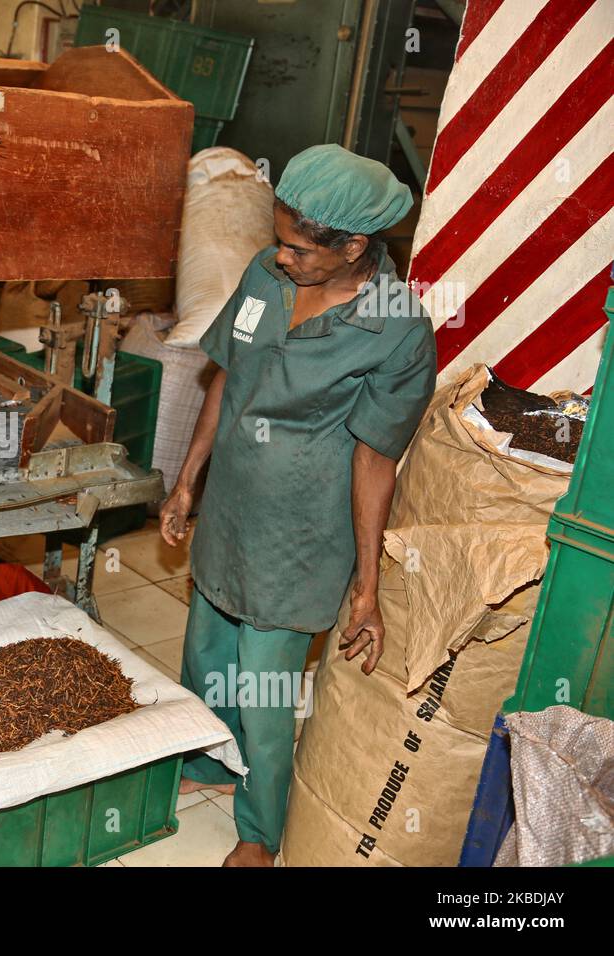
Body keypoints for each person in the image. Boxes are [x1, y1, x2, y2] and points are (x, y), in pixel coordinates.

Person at [159, 144, 436, 867]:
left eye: (300, 250)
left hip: (301, 531)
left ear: (354, 247)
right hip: (232, 505)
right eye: (278, 240)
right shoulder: (264, 275)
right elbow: (227, 377)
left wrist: (368, 587)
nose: (282, 258)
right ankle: (208, 760)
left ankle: (259, 832)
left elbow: (376, 460)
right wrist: (189, 481)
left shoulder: (396, 328)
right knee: (208, 645)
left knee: (265, 686)